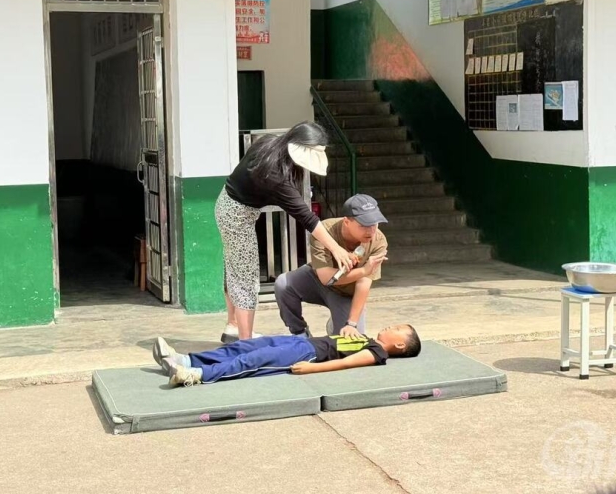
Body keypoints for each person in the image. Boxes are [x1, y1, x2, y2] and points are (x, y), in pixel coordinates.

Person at [216, 122, 356, 344]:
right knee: (246, 278)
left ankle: (233, 327)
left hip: (227, 206)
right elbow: (307, 218)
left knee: (234, 270)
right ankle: (245, 342)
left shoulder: (268, 143)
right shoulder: (275, 175)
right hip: (237, 216)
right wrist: (336, 248)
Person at [151, 324, 421, 387]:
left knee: (253, 361)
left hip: (309, 353)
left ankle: (195, 375)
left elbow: (346, 362)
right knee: (246, 347)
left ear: (399, 345)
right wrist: (350, 328)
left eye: (398, 329)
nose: (391, 326)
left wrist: (312, 369)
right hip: (301, 341)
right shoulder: (368, 339)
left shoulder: (377, 352)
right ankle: (185, 360)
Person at [274, 194, 388, 339]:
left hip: (347, 294)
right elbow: (326, 278)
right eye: (364, 225)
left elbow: (363, 284)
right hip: (318, 280)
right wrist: (364, 270)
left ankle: (335, 324)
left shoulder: (378, 241)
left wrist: (351, 324)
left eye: (375, 224)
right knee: (283, 283)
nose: (371, 231)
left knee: (349, 342)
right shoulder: (324, 231)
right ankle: (299, 333)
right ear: (346, 222)